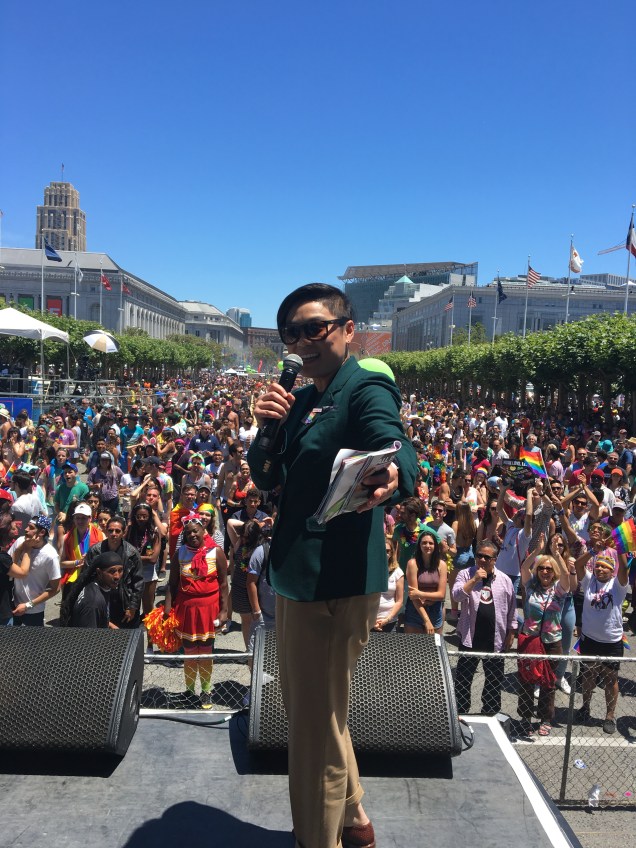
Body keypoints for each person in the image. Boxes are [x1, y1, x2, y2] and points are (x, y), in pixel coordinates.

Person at [248, 283, 417, 848]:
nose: (302, 340)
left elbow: (392, 442)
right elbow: (268, 478)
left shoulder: (363, 384)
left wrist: (394, 475)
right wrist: (265, 432)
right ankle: (353, 817)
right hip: (298, 576)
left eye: (314, 327)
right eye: (292, 332)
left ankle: (316, 839)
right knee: (311, 709)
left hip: (334, 581)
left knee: (313, 732)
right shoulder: (296, 399)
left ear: (348, 328)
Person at [164, 515, 229, 709]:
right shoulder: (180, 554)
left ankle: (207, 692)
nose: (192, 534)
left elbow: (224, 584)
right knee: (190, 651)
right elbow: (172, 583)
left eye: (195, 531)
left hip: (209, 609)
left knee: (206, 650)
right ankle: (190, 691)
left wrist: (224, 611)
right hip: (186, 608)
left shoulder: (216, 552)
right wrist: (168, 608)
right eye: (188, 532)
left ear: (203, 531)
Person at [516, 536, 575, 737]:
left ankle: (545, 718)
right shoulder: (531, 586)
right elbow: (524, 569)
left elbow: (567, 577)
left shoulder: (560, 590)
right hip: (530, 639)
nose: (545, 572)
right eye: (542, 568)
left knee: (548, 683)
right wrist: (537, 551)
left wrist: (556, 554)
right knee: (526, 680)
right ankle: (525, 718)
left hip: (552, 642)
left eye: (549, 569)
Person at [452, 539, 517, 716]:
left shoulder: (504, 580)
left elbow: (512, 609)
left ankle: (490, 712)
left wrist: (511, 632)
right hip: (470, 636)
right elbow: (456, 596)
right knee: (464, 679)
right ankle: (461, 711)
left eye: (487, 557)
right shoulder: (465, 574)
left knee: (494, 680)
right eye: (479, 556)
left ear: (494, 559)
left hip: (495, 639)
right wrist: (474, 580)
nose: (482, 560)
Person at [573, 541, 630, 734]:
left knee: (610, 679)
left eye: (604, 567)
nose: (599, 569)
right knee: (588, 675)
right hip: (589, 639)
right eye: (597, 565)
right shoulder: (589, 581)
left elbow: (623, 567)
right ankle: (585, 707)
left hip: (611, 642)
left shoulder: (618, 585)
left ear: (611, 570)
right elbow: (578, 566)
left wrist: (620, 547)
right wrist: (592, 551)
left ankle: (609, 716)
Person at [83, 515, 144, 628]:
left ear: (124, 532)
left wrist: (133, 607)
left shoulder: (132, 553)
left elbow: (138, 582)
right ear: (106, 531)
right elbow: (86, 577)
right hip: (101, 600)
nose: (113, 534)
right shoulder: (95, 551)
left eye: (117, 531)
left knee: (127, 638)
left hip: (124, 603)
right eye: (110, 530)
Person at [10, 515, 61, 626]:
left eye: (31, 527)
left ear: (42, 532)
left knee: (32, 642)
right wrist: (22, 547)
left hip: (34, 611)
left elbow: (56, 588)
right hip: (13, 604)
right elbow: (8, 565)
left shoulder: (50, 556)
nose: (26, 529)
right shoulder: (20, 541)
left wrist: (28, 605)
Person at [60, 550, 124, 628]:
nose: (117, 576)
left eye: (120, 570)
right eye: (111, 571)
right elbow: (88, 638)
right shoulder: (92, 602)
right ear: (99, 572)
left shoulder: (100, 586)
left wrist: (111, 625)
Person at [405, 526, 447, 635]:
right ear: (419, 545)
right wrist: (427, 621)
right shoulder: (412, 564)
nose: (427, 546)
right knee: (412, 647)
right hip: (415, 609)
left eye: (430, 543)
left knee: (434, 648)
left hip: (435, 610)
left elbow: (442, 595)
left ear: (435, 546)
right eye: (424, 543)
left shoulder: (442, 565)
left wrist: (420, 593)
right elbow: (413, 596)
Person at [372, 538, 404, 632]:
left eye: (387, 551)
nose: (385, 553)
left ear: (391, 553)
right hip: (369, 620)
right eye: (382, 550)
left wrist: (387, 619)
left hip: (389, 621)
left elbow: (399, 601)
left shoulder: (397, 572)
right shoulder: (370, 570)